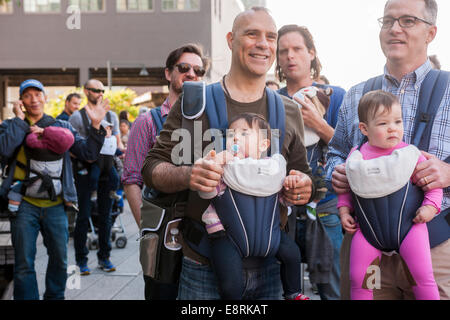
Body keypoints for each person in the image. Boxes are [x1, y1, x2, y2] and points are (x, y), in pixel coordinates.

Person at [142, 7, 315, 300]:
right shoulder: (194, 102)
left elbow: (303, 176)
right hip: (204, 267)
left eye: (270, 37)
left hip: (272, 268)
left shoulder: (289, 111)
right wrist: (189, 175)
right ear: (230, 39)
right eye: (252, 34)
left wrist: (303, 188)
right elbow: (152, 167)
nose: (263, 43)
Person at [326, 0, 450, 300]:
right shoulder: (356, 94)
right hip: (367, 246)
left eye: (407, 20)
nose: (395, 28)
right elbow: (334, 154)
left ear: (431, 32)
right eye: (387, 21)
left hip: (436, 246)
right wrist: (337, 173)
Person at [0, 79, 107, 300]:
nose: (34, 100)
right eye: (27, 95)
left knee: (60, 259)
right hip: (23, 204)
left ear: (45, 98)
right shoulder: (11, 126)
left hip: (56, 203)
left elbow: (87, 153)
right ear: (21, 101)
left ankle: (55, 297)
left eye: (38, 94)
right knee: (23, 263)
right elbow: (5, 149)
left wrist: (96, 127)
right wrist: (20, 121)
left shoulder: (62, 127)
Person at [122, 43, 209, 299]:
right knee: (162, 292)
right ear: (168, 73)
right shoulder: (147, 121)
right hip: (161, 230)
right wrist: (147, 228)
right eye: (184, 68)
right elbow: (131, 179)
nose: (192, 74)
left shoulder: (209, 120)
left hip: (200, 230)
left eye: (198, 70)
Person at [338, 90, 441, 300]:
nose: (392, 128)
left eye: (397, 121)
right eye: (383, 124)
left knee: (421, 275)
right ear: (364, 128)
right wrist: (343, 209)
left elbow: (433, 186)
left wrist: (430, 207)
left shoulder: (410, 155)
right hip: (369, 233)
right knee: (361, 280)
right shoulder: (357, 157)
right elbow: (348, 187)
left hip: (410, 228)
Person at [199, 113, 309, 300]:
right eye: (231, 134)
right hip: (228, 235)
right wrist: (213, 168)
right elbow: (207, 193)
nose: (235, 137)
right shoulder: (226, 167)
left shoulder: (272, 169)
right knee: (230, 284)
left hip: (270, 233)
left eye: (243, 134)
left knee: (292, 253)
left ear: (263, 145)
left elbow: (284, 200)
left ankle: (293, 293)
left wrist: (291, 183)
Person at [276, 24, 346, 300]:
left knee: (333, 291)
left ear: (311, 53)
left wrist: (320, 124)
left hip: (326, 206)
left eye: (297, 49)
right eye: (283, 51)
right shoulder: (272, 100)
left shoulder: (335, 95)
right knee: (287, 291)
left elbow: (356, 151)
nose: (290, 56)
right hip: (282, 209)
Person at [69, 79, 120, 275]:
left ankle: (104, 257)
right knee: (83, 216)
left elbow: (115, 141)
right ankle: (81, 260)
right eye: (94, 90)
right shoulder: (76, 117)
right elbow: (73, 147)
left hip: (106, 169)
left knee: (106, 217)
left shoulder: (112, 115)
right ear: (85, 91)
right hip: (85, 171)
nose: (99, 93)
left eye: (101, 90)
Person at [6, 125, 75, 215]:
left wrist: (36, 133)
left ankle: (13, 208)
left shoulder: (39, 145)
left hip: (31, 185)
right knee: (68, 187)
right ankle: (69, 203)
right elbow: (68, 138)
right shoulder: (61, 149)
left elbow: (30, 140)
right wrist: (45, 131)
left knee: (15, 190)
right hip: (55, 187)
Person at [89, 120, 121, 202]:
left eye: (110, 129)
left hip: (109, 163)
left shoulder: (113, 139)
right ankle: (93, 191)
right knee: (93, 177)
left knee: (116, 178)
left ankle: (113, 191)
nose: (109, 131)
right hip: (98, 163)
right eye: (106, 129)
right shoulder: (97, 139)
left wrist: (122, 152)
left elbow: (115, 150)